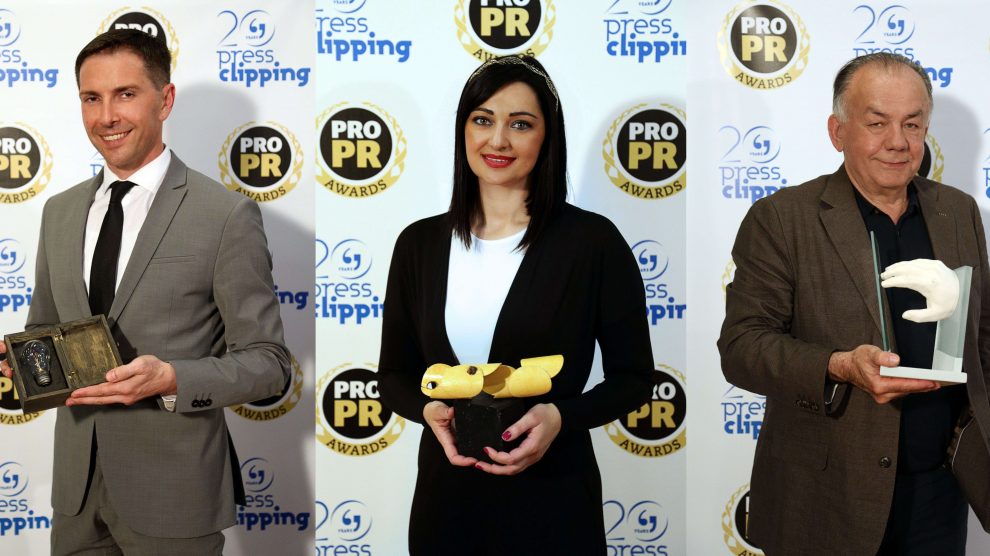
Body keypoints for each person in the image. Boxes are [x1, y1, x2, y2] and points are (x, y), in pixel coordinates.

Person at [0, 29, 290, 554]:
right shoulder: (59, 212)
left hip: (174, 495)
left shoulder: (225, 215)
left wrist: (173, 378)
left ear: (165, 99)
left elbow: (269, 363)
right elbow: (44, 333)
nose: (107, 116)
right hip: (76, 496)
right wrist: (18, 363)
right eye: (92, 98)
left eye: (125, 94)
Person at [377, 55, 654, 555]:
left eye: (520, 124)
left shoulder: (593, 243)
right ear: (463, 130)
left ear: (548, 137)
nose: (498, 140)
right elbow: (394, 374)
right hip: (447, 508)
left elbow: (633, 378)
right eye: (483, 120)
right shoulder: (418, 244)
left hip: (553, 508)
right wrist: (428, 410)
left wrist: (560, 418)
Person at [718, 52, 990, 554]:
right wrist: (839, 365)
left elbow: (983, 338)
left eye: (912, 124)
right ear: (837, 131)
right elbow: (741, 347)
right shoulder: (783, 218)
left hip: (941, 491)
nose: (898, 141)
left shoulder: (958, 211)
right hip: (826, 495)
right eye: (877, 123)